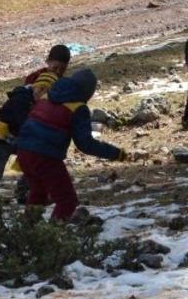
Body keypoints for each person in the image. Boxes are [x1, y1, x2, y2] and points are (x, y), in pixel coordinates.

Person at [15, 69, 128, 221]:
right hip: (45, 155)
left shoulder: (48, 96)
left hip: (23, 150)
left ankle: (27, 232)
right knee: (67, 200)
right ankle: (53, 236)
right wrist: (115, 153)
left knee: (38, 192)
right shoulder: (78, 108)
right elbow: (85, 144)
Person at [0, 72, 57, 200]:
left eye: (46, 90)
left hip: (17, 139)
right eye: (41, 88)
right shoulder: (21, 99)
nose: (41, 92)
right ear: (35, 86)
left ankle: (25, 192)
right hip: (0, 140)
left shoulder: (39, 103)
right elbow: (22, 122)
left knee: (33, 161)